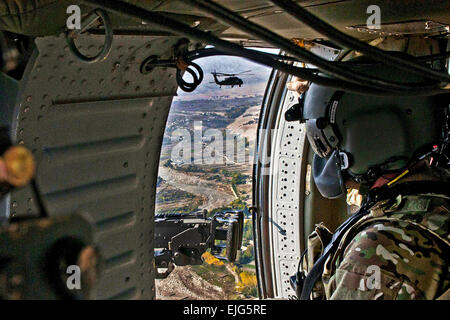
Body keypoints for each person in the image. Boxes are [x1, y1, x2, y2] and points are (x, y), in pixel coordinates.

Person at [288, 62, 450, 300]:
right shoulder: (431, 201)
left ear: (369, 132)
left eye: (326, 138)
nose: (328, 151)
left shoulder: (381, 248)